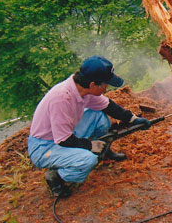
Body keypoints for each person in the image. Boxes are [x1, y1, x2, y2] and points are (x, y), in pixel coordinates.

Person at [28, 55, 151, 198]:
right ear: (93, 84)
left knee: (99, 117)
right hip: (45, 146)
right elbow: (63, 139)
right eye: (105, 85)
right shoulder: (61, 99)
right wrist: (90, 145)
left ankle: (104, 152)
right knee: (88, 160)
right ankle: (56, 177)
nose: (106, 88)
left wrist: (133, 119)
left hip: (63, 135)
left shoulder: (84, 90)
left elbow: (108, 106)